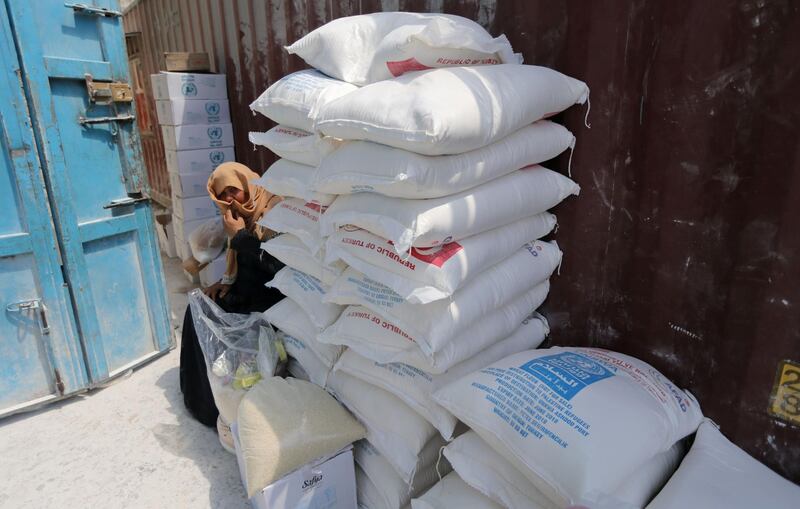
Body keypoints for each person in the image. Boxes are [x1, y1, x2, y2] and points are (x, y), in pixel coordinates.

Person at [179, 162, 284, 438]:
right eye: (221, 194)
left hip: (270, 300)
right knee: (196, 310)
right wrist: (223, 282)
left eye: (233, 191)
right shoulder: (235, 219)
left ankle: (218, 407)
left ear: (247, 185)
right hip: (244, 294)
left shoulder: (275, 211)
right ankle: (203, 403)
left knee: (222, 325)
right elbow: (237, 264)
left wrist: (240, 237)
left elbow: (277, 268)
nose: (228, 199)